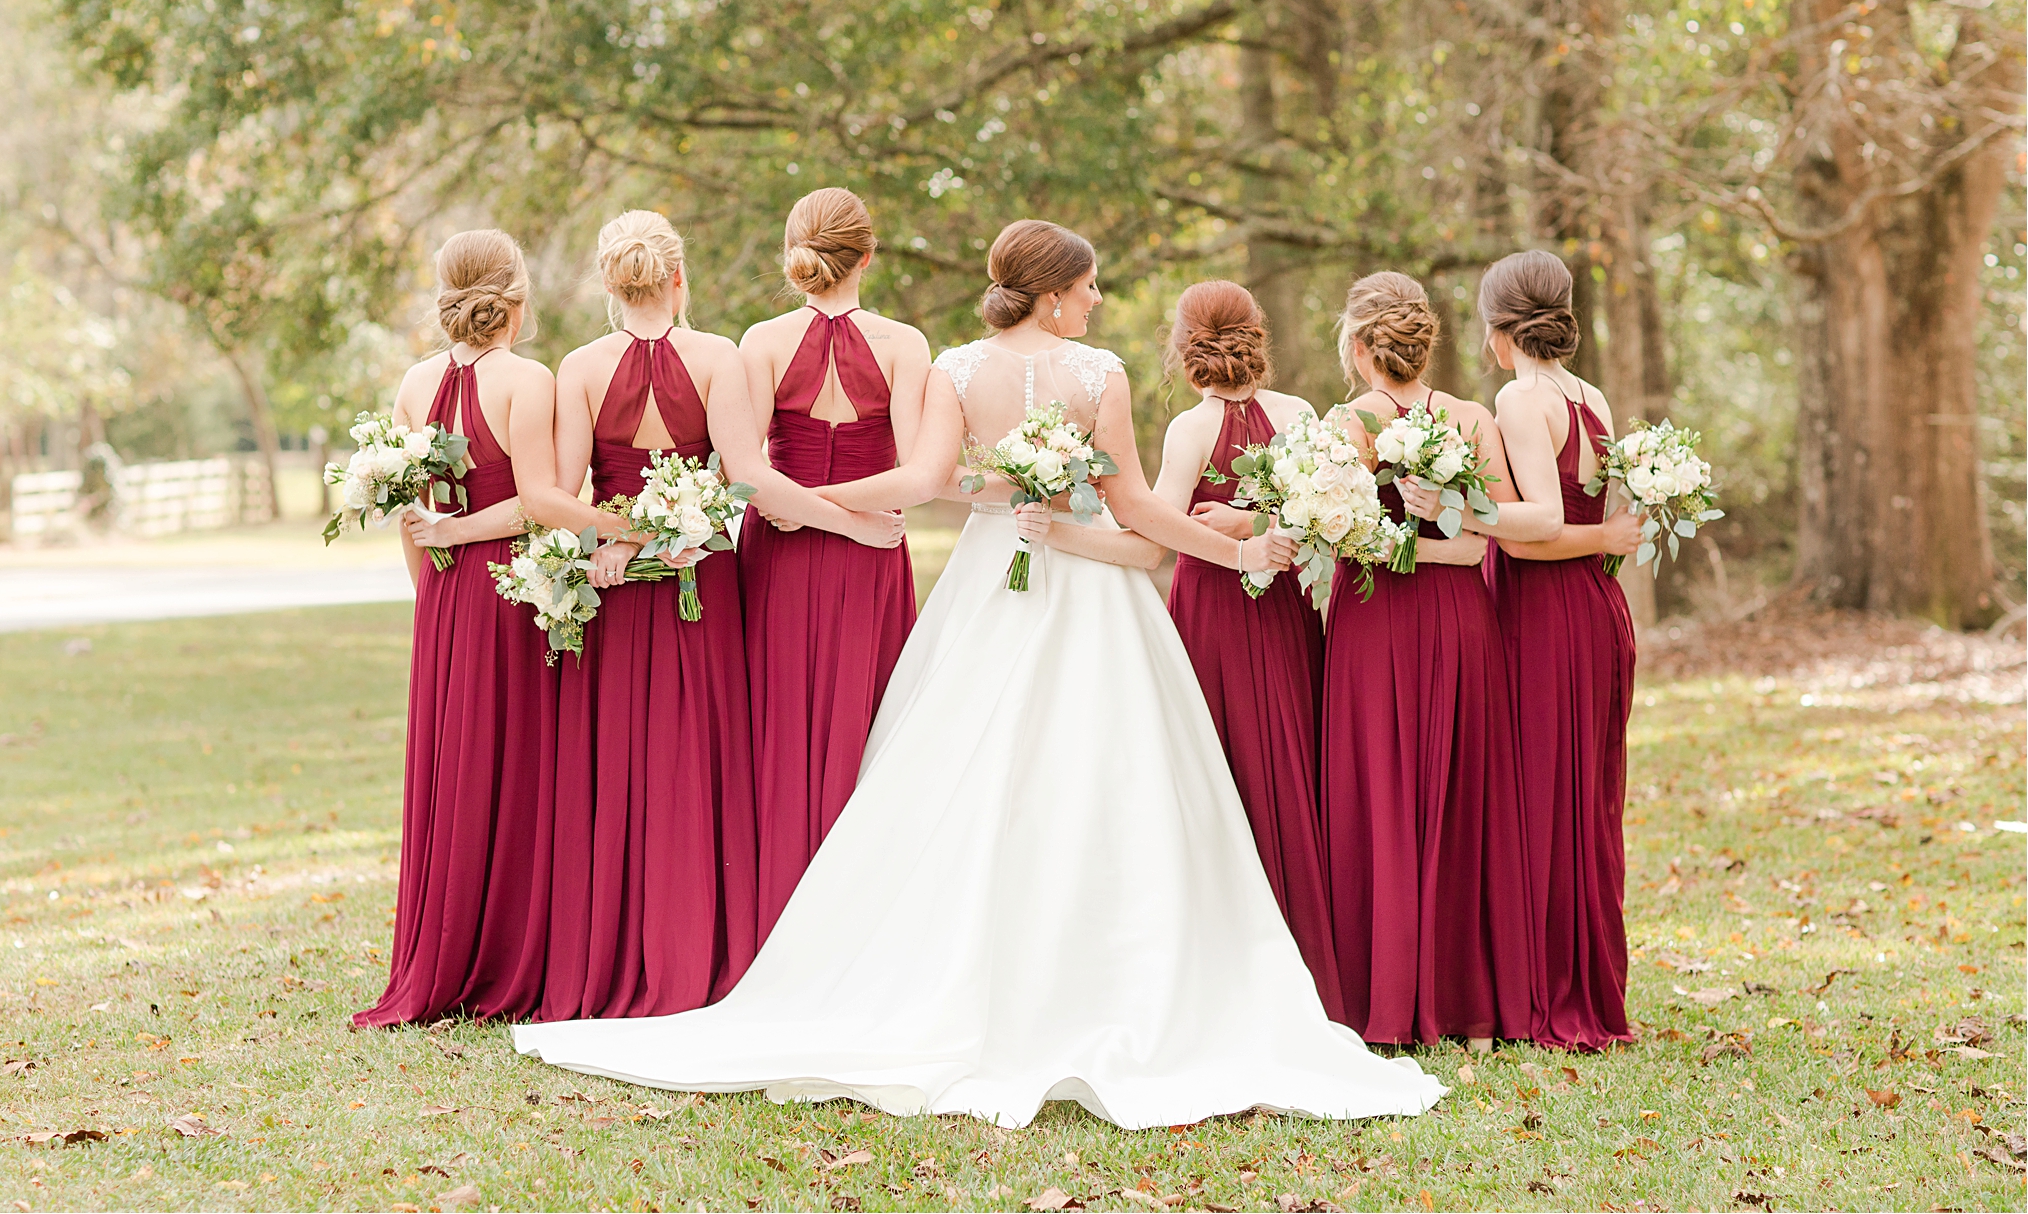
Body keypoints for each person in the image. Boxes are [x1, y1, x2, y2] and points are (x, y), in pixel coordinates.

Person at [512, 221, 1446, 1129]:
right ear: (1050, 292)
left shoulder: (957, 365)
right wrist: (1227, 552)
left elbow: (937, 480)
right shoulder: (1098, 374)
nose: (1097, 302)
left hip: (994, 574)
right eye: (1087, 288)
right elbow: (1131, 507)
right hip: (1079, 581)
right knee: (1105, 769)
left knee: (973, 760)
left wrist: (845, 499)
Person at [527, 211, 903, 1022]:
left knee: (624, 768)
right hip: (705, 586)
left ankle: (623, 955)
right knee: (705, 766)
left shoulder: (580, 366)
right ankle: (714, 955)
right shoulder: (719, 357)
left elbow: (556, 498)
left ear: (607, 282)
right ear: (678, 278)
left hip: (619, 588)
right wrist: (853, 523)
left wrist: (619, 533)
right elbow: (747, 480)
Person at [1320, 271, 1551, 1049]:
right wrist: (1442, 539)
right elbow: (1487, 535)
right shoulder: (1470, 414)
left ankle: (1380, 1004)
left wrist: (1400, 543)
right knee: (1461, 799)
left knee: (1380, 795)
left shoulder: (1348, 419)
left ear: (1359, 346)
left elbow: (1340, 535)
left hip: (1374, 620)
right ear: (1424, 342)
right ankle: (1471, 1010)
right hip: (1461, 622)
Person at [355, 229, 571, 1026]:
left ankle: (445, 954)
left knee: (459, 768)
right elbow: (539, 501)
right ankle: (512, 957)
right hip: (509, 585)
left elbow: (407, 510)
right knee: (512, 766)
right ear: (517, 295)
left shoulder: (416, 381)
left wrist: (432, 584)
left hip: (444, 597)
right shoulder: (528, 378)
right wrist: (461, 540)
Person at [736, 188, 928, 943]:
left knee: (780, 735)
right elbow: (916, 474)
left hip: (784, 552)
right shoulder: (905, 344)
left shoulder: (760, 341)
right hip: (871, 554)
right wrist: (854, 523)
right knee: (868, 731)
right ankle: (862, 928)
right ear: (869, 256)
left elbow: (748, 475)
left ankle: (781, 924)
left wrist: (812, 508)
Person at [1153, 280, 1343, 1019]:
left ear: (1184, 345)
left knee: (1223, 760)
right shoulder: (1299, 414)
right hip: (1279, 600)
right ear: (1256, 334)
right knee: (1284, 756)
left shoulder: (1190, 430)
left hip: (1222, 602)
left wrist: (1236, 521)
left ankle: (1237, 957)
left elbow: (1163, 527)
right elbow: (1326, 504)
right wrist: (1261, 518)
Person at [1475, 249, 1644, 1051]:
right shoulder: (1591, 395)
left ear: (1498, 328)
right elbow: (1600, 518)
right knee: (1585, 800)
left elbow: (1538, 530)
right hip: (1600, 611)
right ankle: (1587, 985)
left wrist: (1464, 514)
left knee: (1543, 798)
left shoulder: (1521, 397)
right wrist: (1606, 538)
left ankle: (1550, 993)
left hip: (1544, 614)